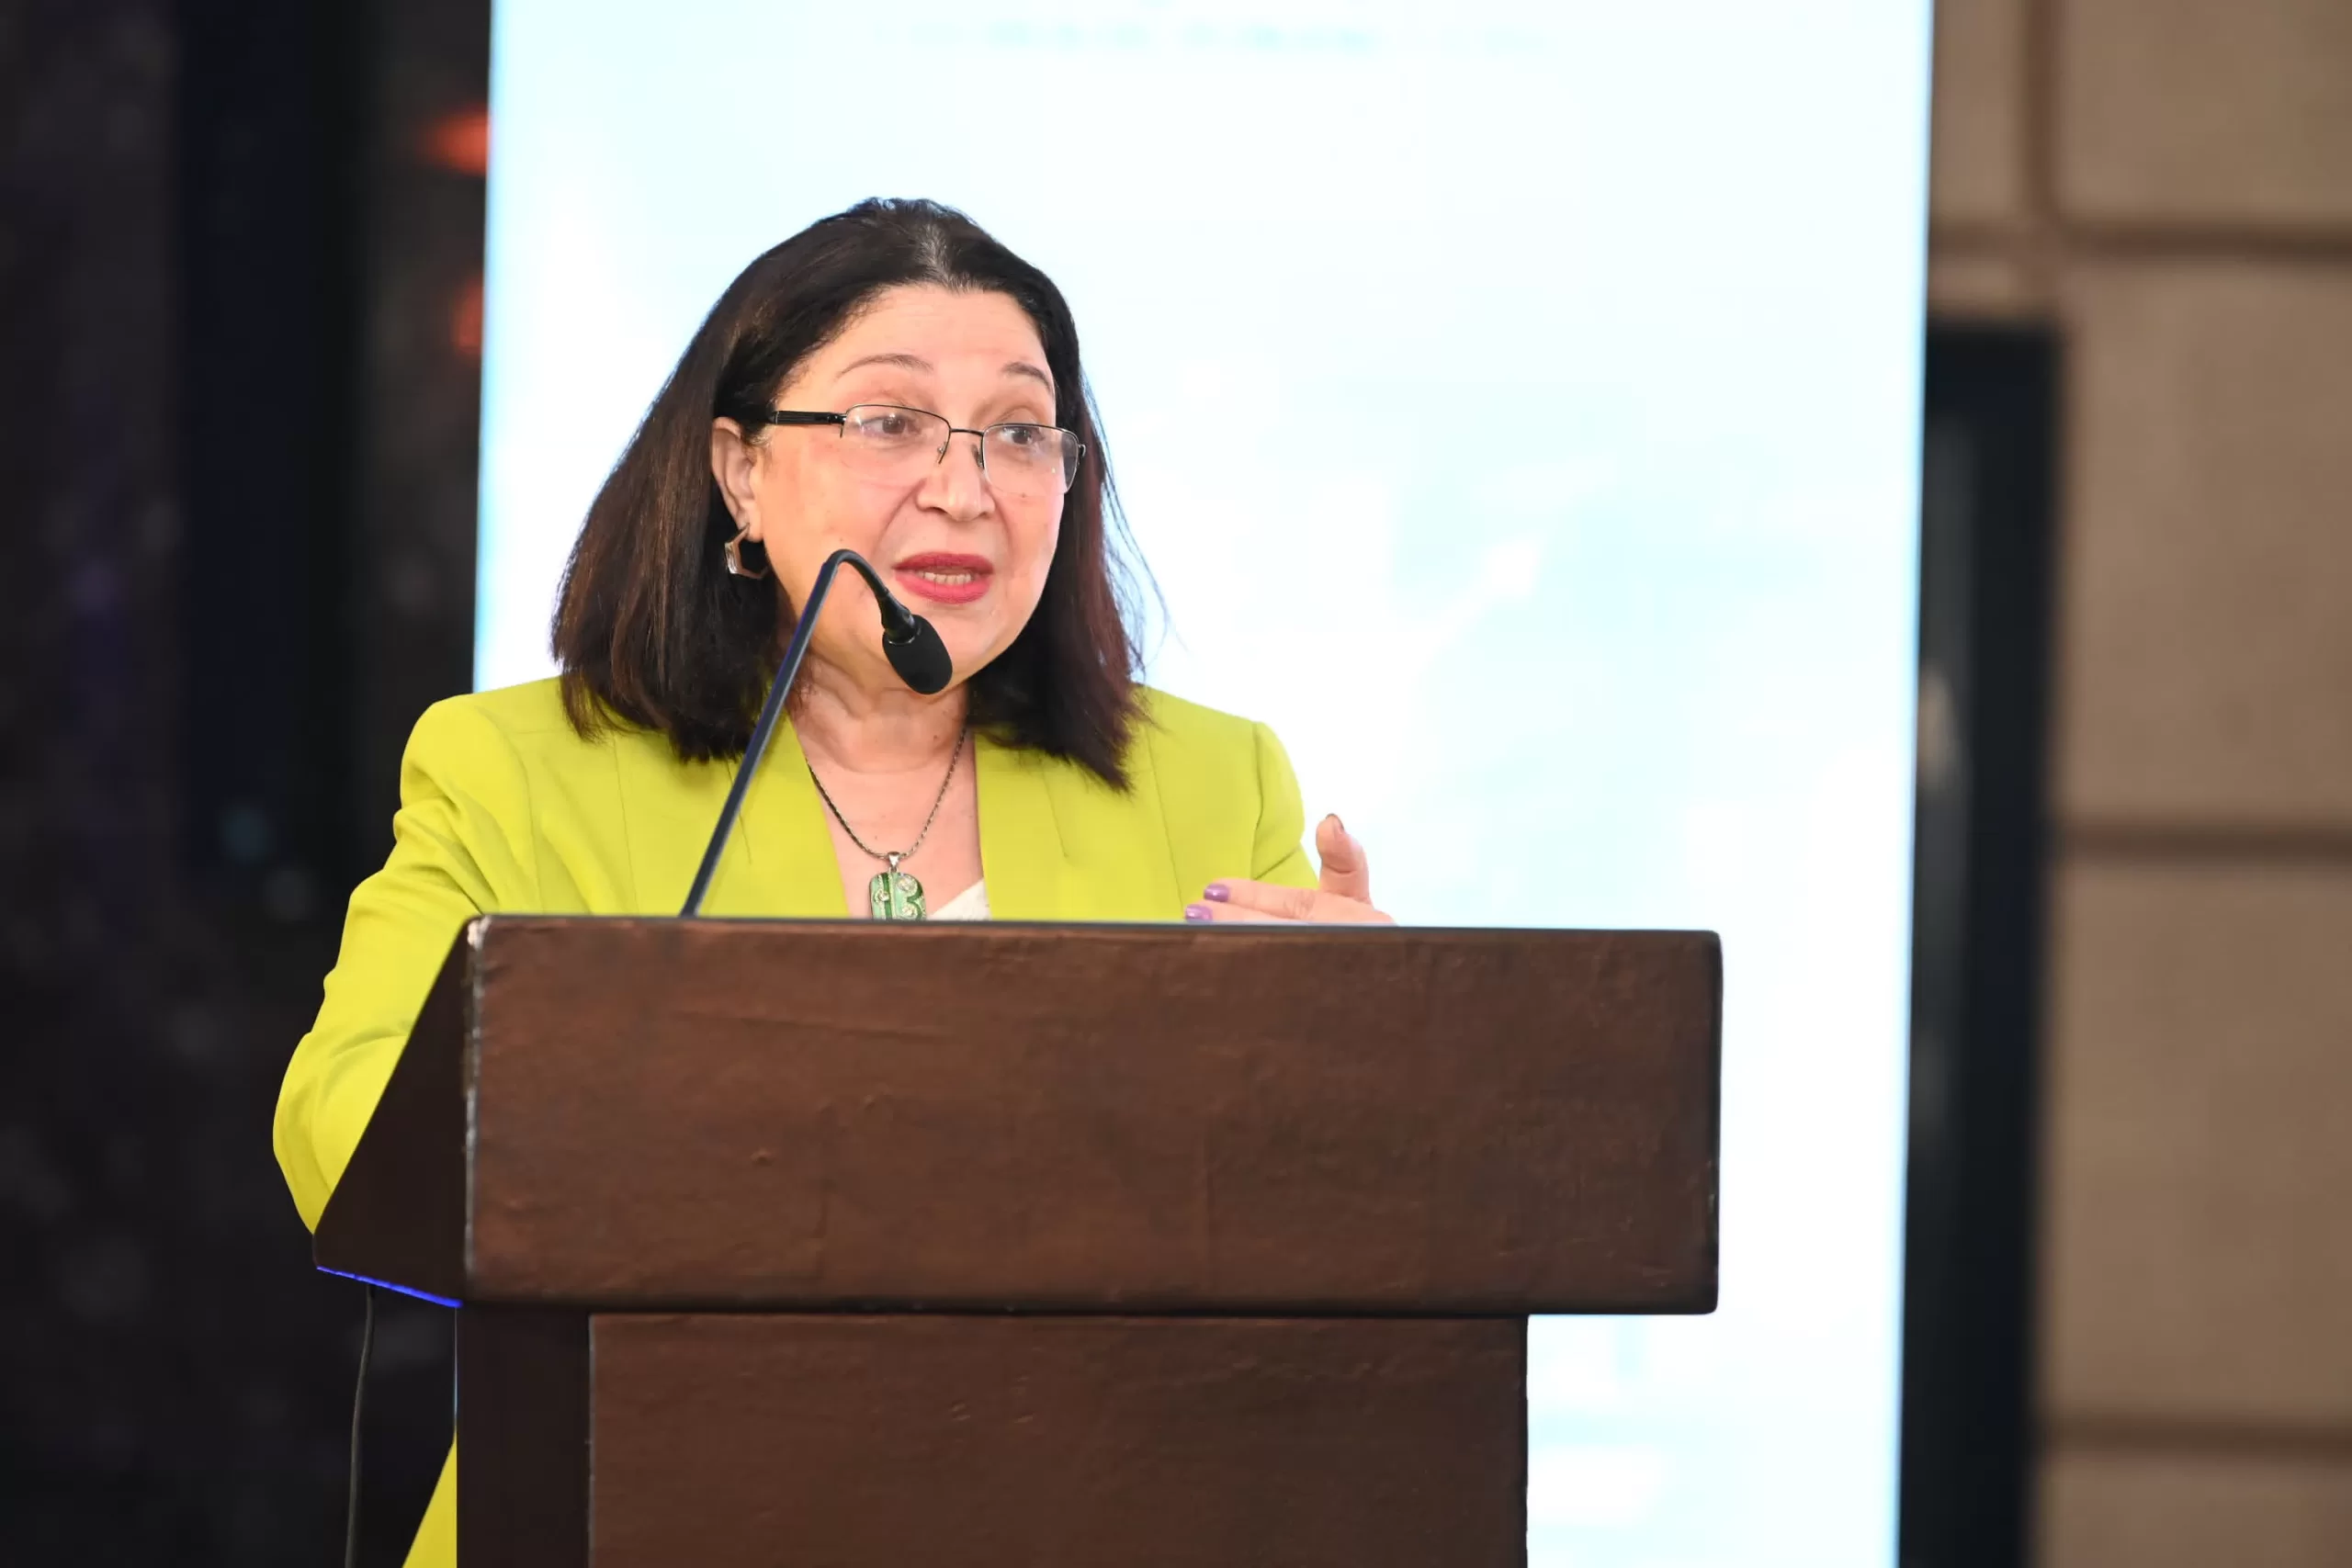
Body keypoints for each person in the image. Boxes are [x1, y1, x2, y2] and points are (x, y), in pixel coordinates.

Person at [273, 197, 1392, 1566]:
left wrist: (1371, 1061)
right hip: (633, 1512)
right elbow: (344, 1129)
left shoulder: (1212, 783)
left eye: (1020, 432)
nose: (965, 488)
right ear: (739, 470)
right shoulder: (520, 770)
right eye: (889, 421)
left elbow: (1320, 1230)